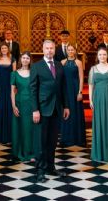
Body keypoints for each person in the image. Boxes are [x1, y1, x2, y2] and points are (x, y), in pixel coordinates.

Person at [29, 39, 69, 183]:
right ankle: (40, 170)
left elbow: (63, 87)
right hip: (42, 109)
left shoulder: (59, 65)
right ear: (43, 49)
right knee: (40, 142)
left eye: (52, 48)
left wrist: (66, 106)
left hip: (57, 108)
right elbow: (33, 89)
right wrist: (35, 109)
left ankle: (51, 167)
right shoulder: (36, 66)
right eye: (47, 48)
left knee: (52, 141)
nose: (50, 50)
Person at [11, 51, 36, 161]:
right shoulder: (14, 74)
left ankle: (29, 152)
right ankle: (19, 152)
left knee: (29, 128)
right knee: (19, 128)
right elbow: (12, 91)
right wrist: (13, 106)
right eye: (23, 58)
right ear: (20, 60)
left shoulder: (34, 73)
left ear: (30, 60)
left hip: (30, 103)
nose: (25, 60)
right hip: (19, 103)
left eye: (27, 58)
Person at [60, 44, 86, 147]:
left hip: (75, 89)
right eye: (69, 50)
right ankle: (66, 138)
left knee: (76, 112)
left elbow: (81, 77)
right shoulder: (62, 62)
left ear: (75, 51)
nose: (70, 51)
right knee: (66, 112)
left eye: (72, 50)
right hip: (65, 89)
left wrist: (80, 92)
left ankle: (77, 138)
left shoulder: (78, 62)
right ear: (66, 51)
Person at [0, 42, 15, 144]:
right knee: (0, 110)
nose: (4, 49)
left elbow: (14, 75)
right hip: (0, 87)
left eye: (5, 48)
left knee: (9, 110)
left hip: (9, 87)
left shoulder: (13, 60)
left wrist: (14, 88)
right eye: (2, 48)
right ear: (0, 49)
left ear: (8, 49)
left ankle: (9, 136)